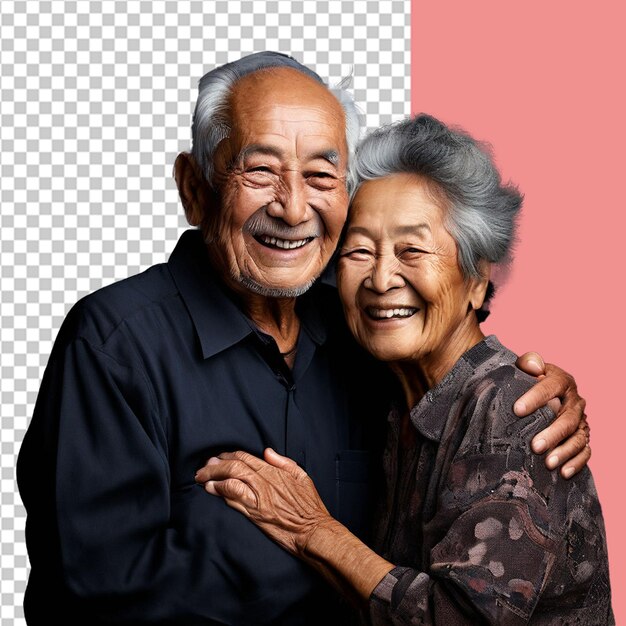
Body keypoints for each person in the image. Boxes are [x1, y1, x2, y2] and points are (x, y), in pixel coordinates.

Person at [18, 53, 589, 625]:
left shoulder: (364, 335)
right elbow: (94, 592)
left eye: (321, 176)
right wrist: (318, 552)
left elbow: (461, 382)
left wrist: (535, 395)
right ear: (195, 188)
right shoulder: (116, 345)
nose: (293, 208)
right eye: (260, 170)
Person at [196, 114, 612, 624]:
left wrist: (312, 530)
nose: (381, 278)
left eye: (412, 249)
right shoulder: (393, 392)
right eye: (359, 251)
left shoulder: (514, 412)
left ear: (477, 279)